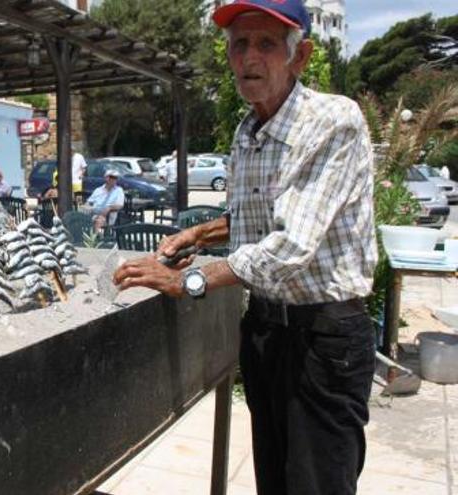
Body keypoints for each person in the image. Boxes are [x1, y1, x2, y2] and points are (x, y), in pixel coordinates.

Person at [113, 2, 377, 494]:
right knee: (273, 482)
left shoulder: (331, 122)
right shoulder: (247, 131)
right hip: (266, 334)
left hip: (324, 339)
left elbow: (291, 244)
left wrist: (190, 280)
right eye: (239, 44)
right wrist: (197, 235)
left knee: (318, 485)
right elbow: (255, 219)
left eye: (266, 44)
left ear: (299, 58)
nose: (249, 57)